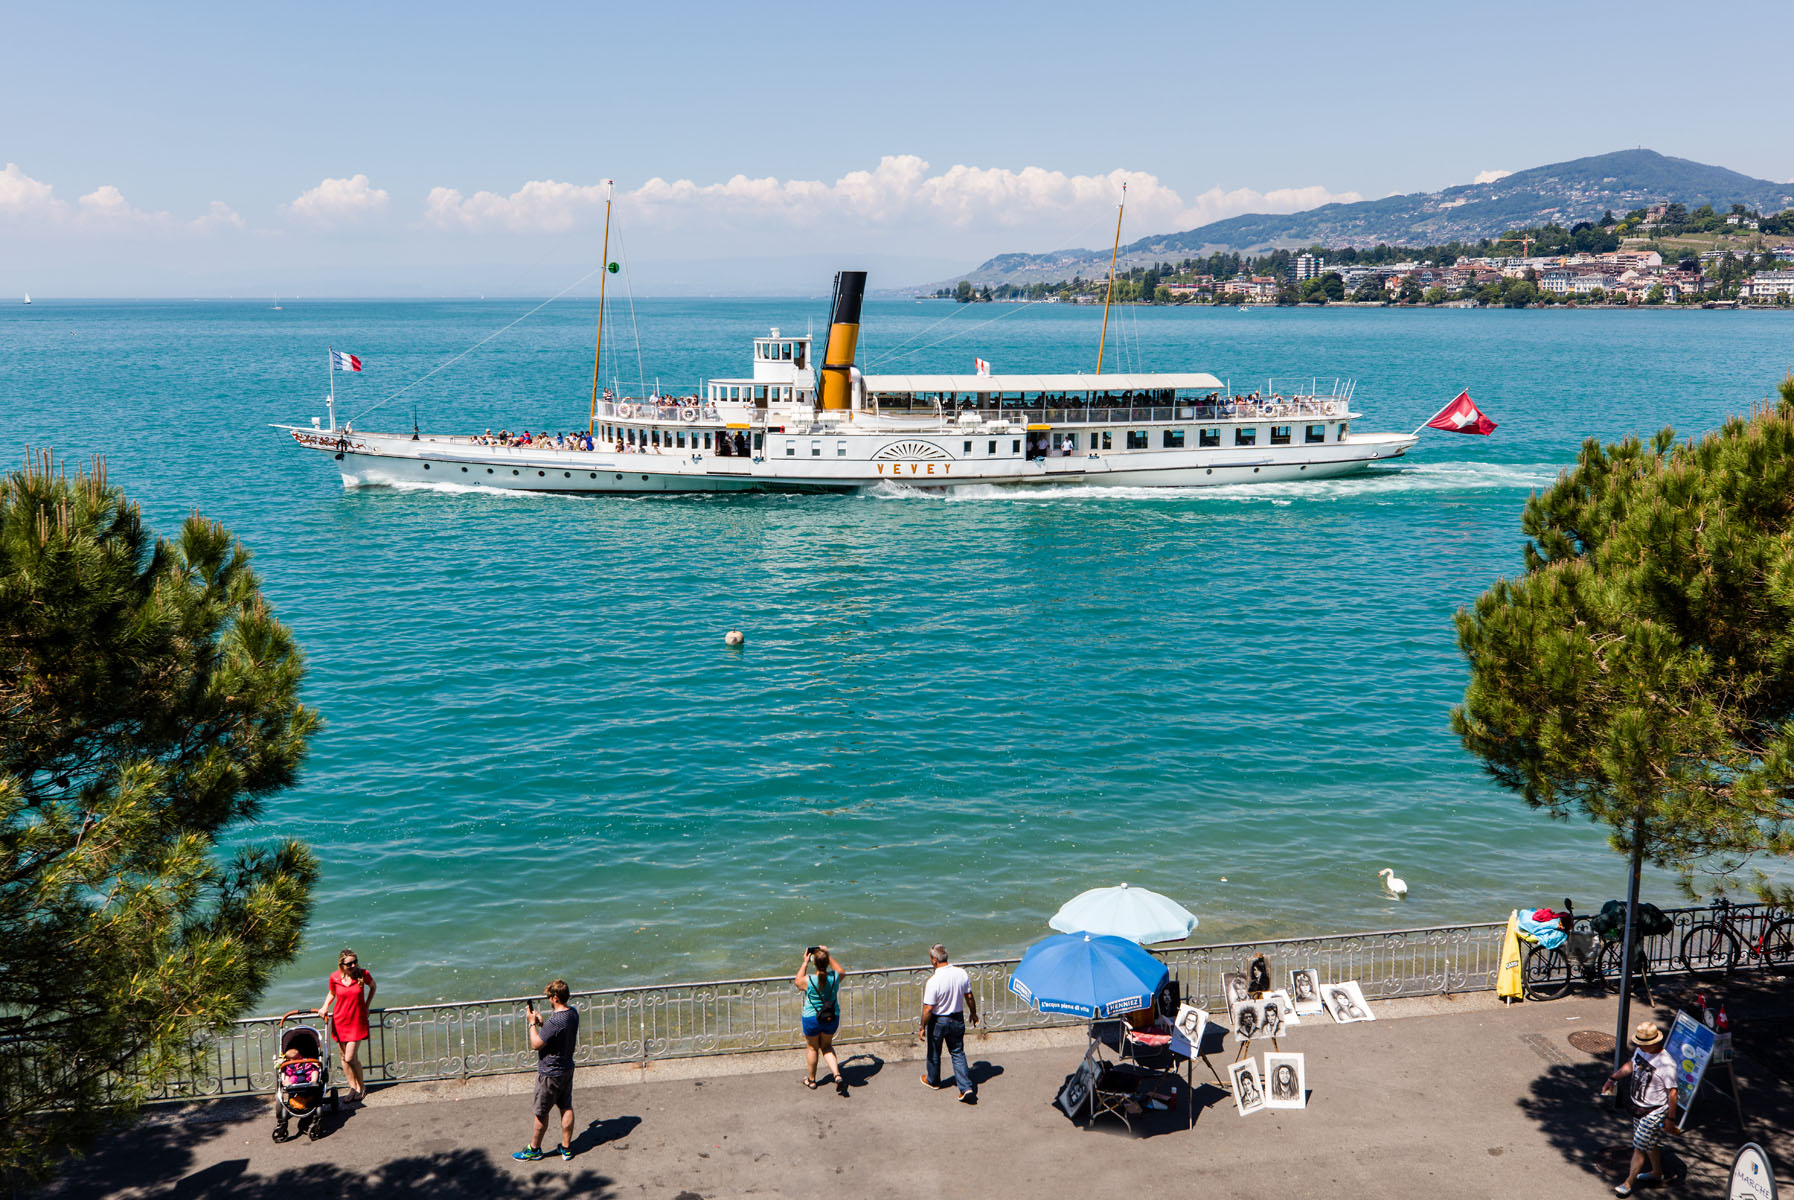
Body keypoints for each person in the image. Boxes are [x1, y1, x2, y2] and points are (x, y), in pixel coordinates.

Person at [1600, 1021, 1679, 1196]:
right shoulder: (1642, 1050)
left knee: (1639, 1147)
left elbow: (1673, 1094)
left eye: (1642, 1043)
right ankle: (1656, 1172)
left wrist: (1670, 1118)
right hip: (1638, 1108)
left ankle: (1628, 1183)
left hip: (1653, 1111)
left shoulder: (1666, 1065)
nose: (1639, 1045)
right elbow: (1631, 1064)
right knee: (1649, 1143)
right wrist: (1613, 1078)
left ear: (1653, 1042)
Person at [514, 979, 579, 1162]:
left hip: (550, 1074)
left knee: (541, 1112)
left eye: (549, 997)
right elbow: (556, 1034)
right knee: (566, 1107)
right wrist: (543, 1024)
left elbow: (536, 1044)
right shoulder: (573, 1013)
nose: (548, 999)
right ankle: (566, 1148)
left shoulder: (555, 1021)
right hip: (567, 1068)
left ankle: (534, 1149)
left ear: (555, 997)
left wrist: (531, 1023)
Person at [916, 944, 979, 1103]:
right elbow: (969, 996)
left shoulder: (933, 981)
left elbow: (928, 1008)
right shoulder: (961, 973)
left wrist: (922, 1026)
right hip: (957, 1018)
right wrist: (973, 1013)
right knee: (957, 1052)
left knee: (934, 1051)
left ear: (934, 960)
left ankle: (933, 1080)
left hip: (938, 1021)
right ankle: (965, 1087)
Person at [319, 949, 375, 1102]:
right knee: (344, 1057)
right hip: (340, 1020)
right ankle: (353, 1088)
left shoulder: (363, 974)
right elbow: (332, 993)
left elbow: (373, 987)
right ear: (341, 965)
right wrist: (325, 1007)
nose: (353, 966)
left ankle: (361, 1087)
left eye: (355, 962)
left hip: (357, 1021)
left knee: (350, 1057)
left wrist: (367, 1005)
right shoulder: (334, 977)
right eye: (349, 964)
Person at [795, 945, 848, 1096]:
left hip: (812, 1018)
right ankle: (837, 1076)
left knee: (812, 1048)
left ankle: (812, 1080)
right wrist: (827, 955)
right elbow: (842, 971)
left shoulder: (809, 980)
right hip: (831, 1016)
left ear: (814, 963)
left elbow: (797, 981)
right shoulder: (835, 978)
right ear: (826, 962)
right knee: (827, 1047)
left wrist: (805, 962)